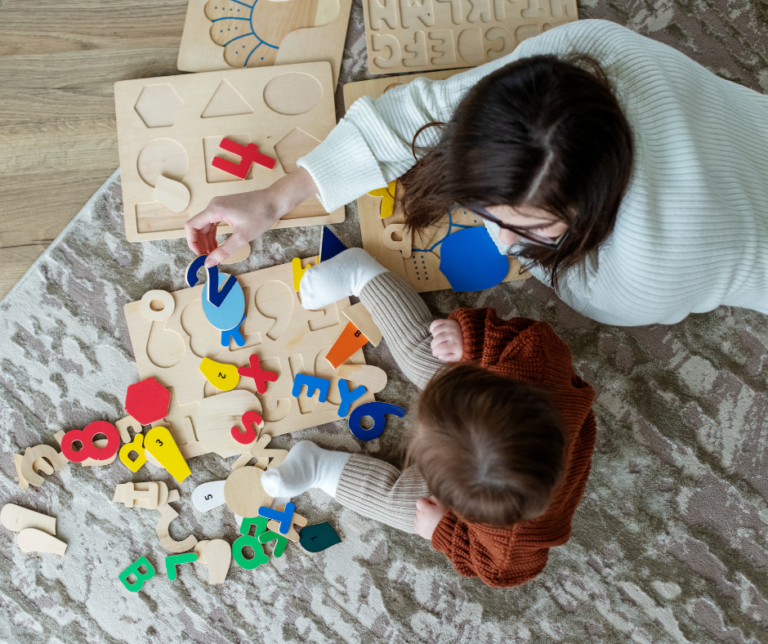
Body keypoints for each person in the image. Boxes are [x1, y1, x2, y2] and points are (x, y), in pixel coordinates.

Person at [186, 19, 768, 327]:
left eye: (539, 231)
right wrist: (276, 198)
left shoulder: (646, 273)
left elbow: (600, 302)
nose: (500, 238)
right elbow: (420, 113)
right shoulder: (587, 51)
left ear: (592, 211)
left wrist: (526, 248)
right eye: (487, 209)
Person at [260, 248, 597, 587]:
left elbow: (500, 572)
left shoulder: (511, 544)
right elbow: (528, 335)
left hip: (474, 499)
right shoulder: (536, 365)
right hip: (494, 427)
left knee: (406, 507)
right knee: (424, 351)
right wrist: (469, 340)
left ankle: (318, 467)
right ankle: (360, 274)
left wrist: (443, 530)